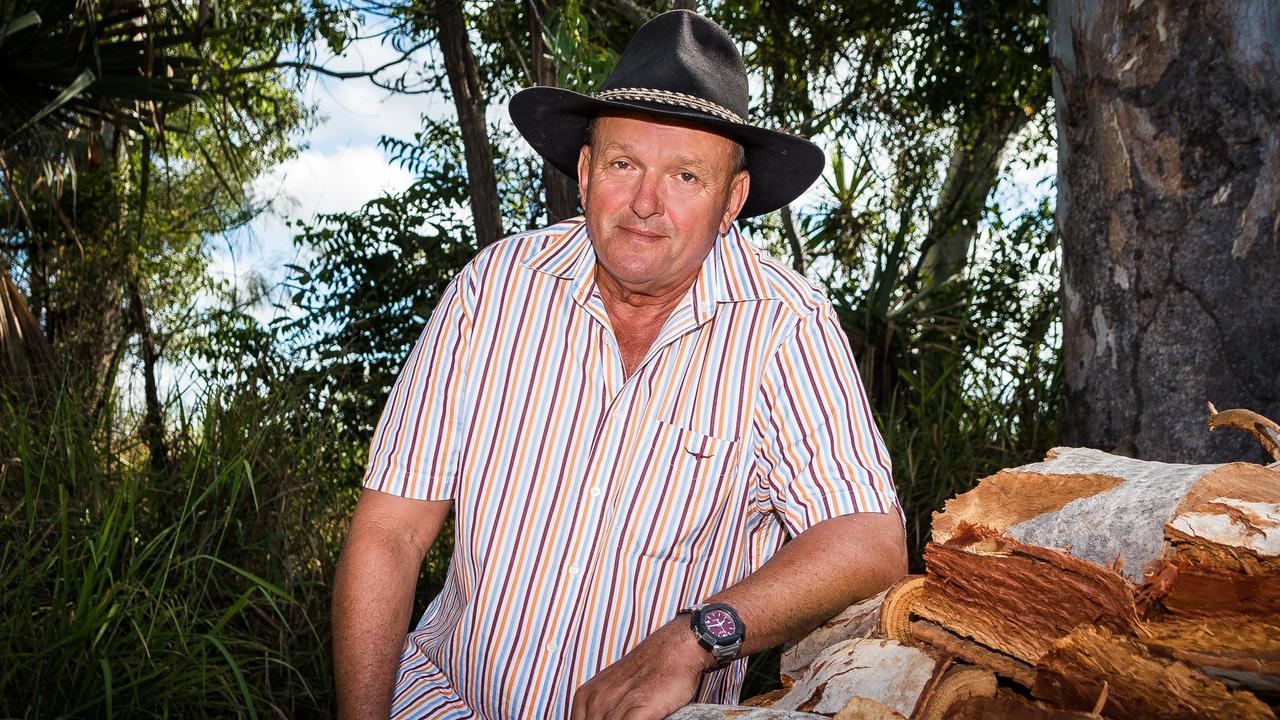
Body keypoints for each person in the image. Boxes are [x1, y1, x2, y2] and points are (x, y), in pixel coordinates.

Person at [332, 9, 906, 720]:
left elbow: (869, 540)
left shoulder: (785, 328)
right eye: (624, 163)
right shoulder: (495, 289)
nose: (643, 203)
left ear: (731, 201)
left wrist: (695, 639)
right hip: (441, 700)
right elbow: (390, 532)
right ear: (584, 170)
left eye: (686, 176)